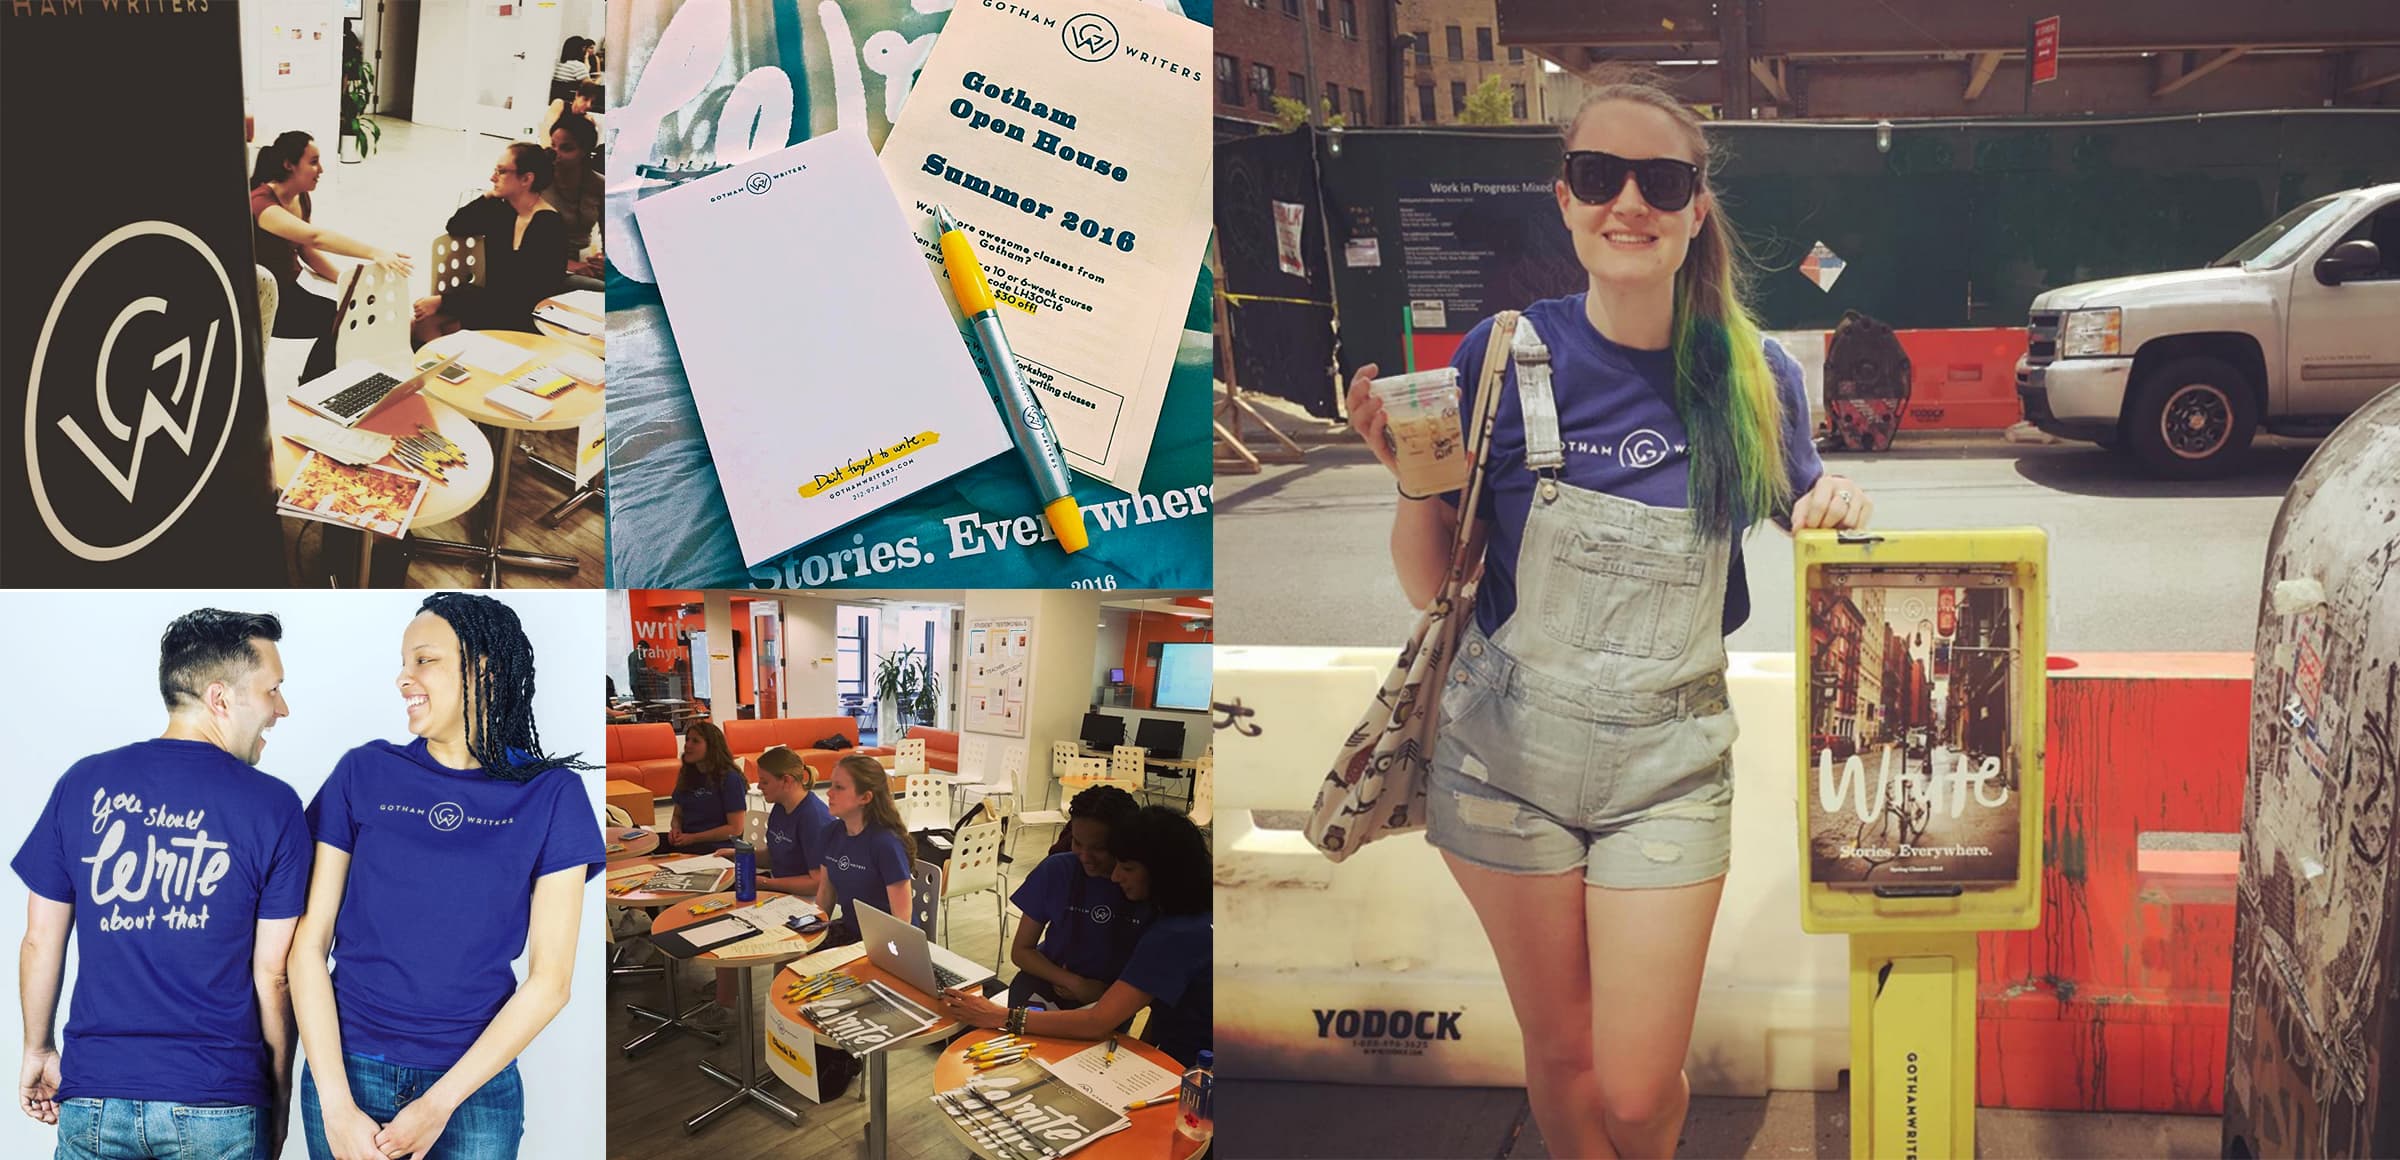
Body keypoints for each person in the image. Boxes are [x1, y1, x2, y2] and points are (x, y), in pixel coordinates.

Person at [1340, 72, 1875, 1158]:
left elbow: (1809, 519)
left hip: (1670, 769)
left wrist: (1833, 508)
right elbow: (1427, 581)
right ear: (1567, 199)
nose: (1629, 202)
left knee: (1636, 1087)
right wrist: (1409, 481)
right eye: (1599, 176)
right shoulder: (1497, 355)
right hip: (1503, 761)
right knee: (1565, 1051)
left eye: (1660, 179)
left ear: (1694, 208)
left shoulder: (1756, 376)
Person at [288, 594, 603, 1160]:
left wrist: (440, 1103)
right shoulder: (364, 770)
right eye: (404, 662)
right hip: (348, 1073)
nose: (402, 678)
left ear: (483, 665)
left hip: (474, 1086)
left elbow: (551, 982)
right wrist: (335, 1103)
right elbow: (307, 946)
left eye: (423, 660)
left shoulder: (552, 795)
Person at [12, 610, 310, 1160]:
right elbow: (274, 976)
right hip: (219, 1099)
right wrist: (277, 1093)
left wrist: (36, 1048)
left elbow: (39, 940)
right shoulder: (274, 806)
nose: (281, 708)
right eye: (273, 690)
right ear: (221, 699)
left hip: (95, 1096)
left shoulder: (82, 783)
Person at [941, 806, 1212, 1067]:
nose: (1115, 877)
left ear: (1164, 872)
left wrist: (999, 1016)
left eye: (1127, 868)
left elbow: (1097, 1021)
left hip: (1195, 1064)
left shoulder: (1173, 936)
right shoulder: (1201, 913)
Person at [249, 131, 412, 380]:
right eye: (313, 162)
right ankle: (311, 386)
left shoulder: (300, 198)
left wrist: (346, 284)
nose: (321, 169)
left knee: (350, 310)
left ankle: (317, 383)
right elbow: (316, 237)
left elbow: (306, 249)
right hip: (263, 301)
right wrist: (374, 252)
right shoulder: (262, 204)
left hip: (292, 287)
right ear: (288, 165)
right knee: (340, 319)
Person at [694, 746, 831, 1031]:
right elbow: (774, 855)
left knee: (735, 923)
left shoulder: (813, 817)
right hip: (780, 891)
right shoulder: (781, 808)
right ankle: (727, 993)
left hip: (804, 901)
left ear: (788, 781)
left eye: (765, 781)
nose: (758, 786)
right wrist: (739, 854)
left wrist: (765, 883)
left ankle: (727, 1004)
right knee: (725, 917)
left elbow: (816, 881)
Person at [1004, 785, 1146, 1010]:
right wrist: (1074, 982)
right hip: (1048, 984)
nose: (1085, 857)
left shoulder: (1141, 886)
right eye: (1077, 843)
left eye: (1099, 848)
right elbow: (1021, 951)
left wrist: (1101, 994)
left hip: (1108, 1000)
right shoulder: (1057, 870)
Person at [411, 143, 567, 343]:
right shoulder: (501, 211)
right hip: (494, 304)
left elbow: (518, 294)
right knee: (419, 323)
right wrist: (489, 195)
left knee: (425, 324)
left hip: (524, 315)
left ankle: (460, 368)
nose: (492, 177)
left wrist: (444, 302)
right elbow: (456, 225)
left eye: (501, 172)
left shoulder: (548, 226)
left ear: (526, 179)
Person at [811, 755, 914, 948]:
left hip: (886, 939)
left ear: (865, 797)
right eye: (831, 785)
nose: (829, 793)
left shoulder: (885, 843)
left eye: (839, 788)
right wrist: (811, 934)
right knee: (794, 953)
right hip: (852, 931)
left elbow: (902, 919)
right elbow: (825, 894)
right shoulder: (830, 833)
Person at [664, 721, 745, 854]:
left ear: (712, 747)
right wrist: (676, 829)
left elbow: (735, 829)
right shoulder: (687, 775)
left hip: (716, 847)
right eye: (687, 739)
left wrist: (693, 838)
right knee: (649, 844)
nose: (687, 745)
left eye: (695, 741)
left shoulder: (730, 779)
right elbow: (677, 815)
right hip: (687, 841)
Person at [543, 114, 604, 292]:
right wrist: (569, 264)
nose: (556, 154)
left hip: (584, 262)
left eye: (566, 148)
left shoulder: (599, 185)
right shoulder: (540, 181)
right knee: (601, 291)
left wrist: (606, 262)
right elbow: (523, 242)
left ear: (584, 150)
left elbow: (613, 238)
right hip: (544, 263)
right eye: (553, 145)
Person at [537, 80, 606, 151]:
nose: (589, 105)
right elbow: (546, 128)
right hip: (549, 148)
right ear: (577, 95)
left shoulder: (587, 120)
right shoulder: (559, 105)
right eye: (585, 99)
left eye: (592, 102)